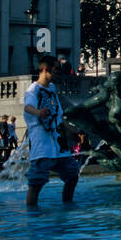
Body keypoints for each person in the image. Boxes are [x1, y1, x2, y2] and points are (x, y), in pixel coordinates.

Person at [23, 53, 78, 206]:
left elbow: (59, 114)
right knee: (36, 182)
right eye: (56, 70)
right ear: (46, 70)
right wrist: (38, 112)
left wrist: (71, 131)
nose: (58, 73)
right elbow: (27, 107)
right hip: (41, 143)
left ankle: (68, 205)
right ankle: (32, 214)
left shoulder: (52, 88)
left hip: (57, 143)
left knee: (72, 175)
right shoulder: (33, 90)